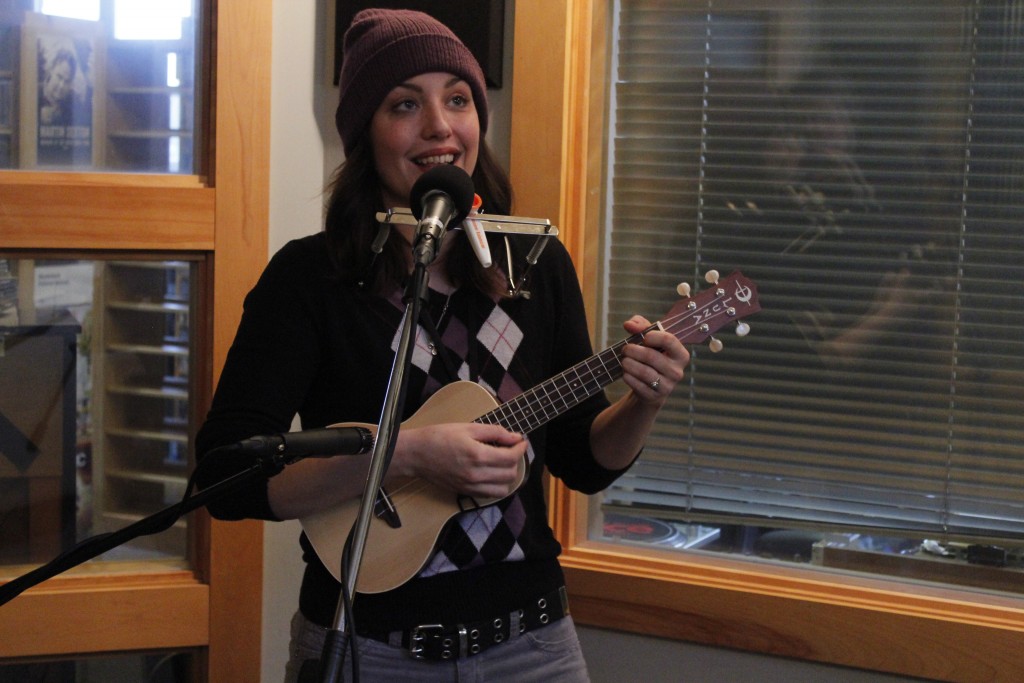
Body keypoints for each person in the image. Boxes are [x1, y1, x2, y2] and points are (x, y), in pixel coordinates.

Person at [195, 9, 689, 682]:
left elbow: (583, 458)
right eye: (405, 104)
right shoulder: (309, 280)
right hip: (366, 652)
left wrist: (644, 402)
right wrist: (406, 452)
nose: (439, 126)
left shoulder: (534, 266)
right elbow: (225, 476)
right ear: (365, 132)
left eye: (457, 99)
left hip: (533, 647)